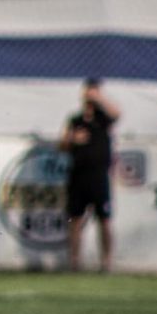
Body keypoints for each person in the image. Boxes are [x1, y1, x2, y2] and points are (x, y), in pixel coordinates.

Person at [58, 78, 120, 272]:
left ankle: (106, 262)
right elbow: (62, 144)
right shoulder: (75, 120)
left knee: (104, 219)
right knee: (75, 220)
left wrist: (100, 98)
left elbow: (117, 114)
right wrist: (72, 140)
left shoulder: (103, 119)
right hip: (78, 176)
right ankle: (74, 262)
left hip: (99, 176)